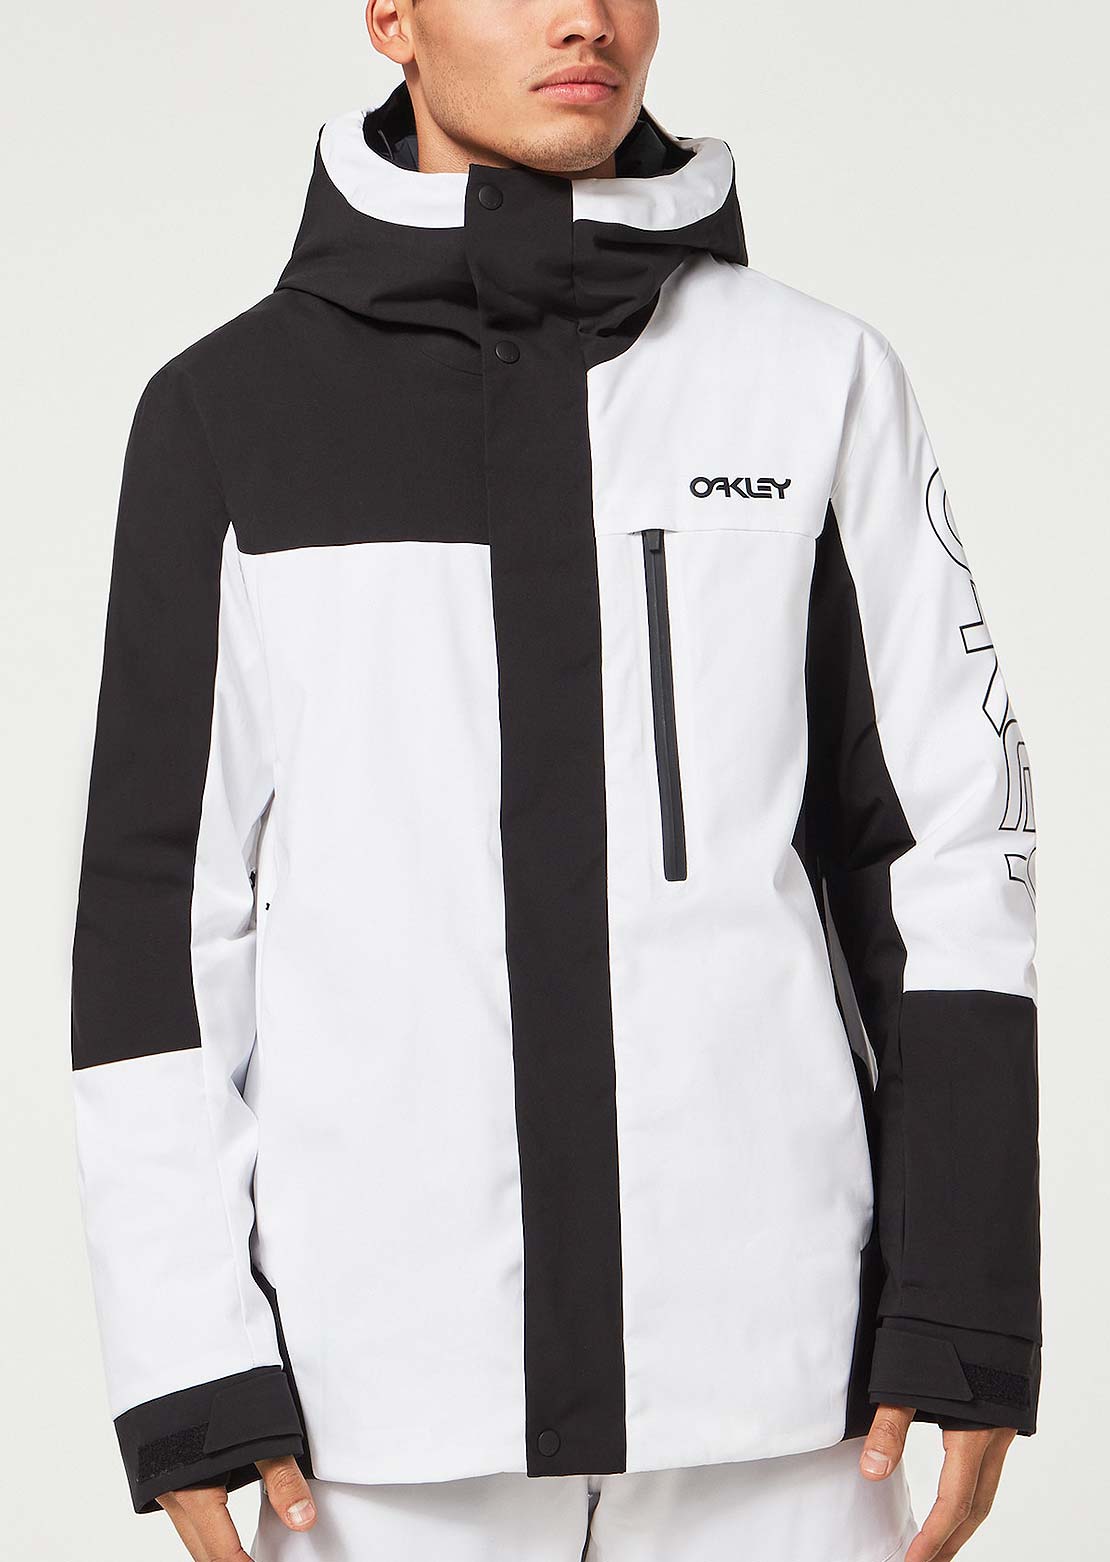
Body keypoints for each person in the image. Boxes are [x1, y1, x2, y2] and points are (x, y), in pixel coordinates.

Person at [69, 2, 1041, 1559]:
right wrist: (190, 1358)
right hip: (382, 1417)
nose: (583, 16)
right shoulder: (228, 413)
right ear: (391, 16)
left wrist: (967, 1297)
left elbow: (943, 850)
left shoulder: (813, 382)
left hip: (776, 1399)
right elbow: (152, 925)